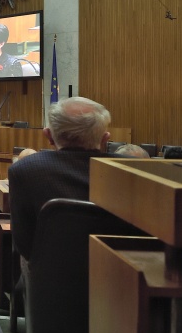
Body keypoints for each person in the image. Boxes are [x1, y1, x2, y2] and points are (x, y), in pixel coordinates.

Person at [9, 97, 113, 261]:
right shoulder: (135, 171)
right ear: (105, 139)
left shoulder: (25, 170)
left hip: (53, 271)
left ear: (48, 136)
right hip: (122, 270)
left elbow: (24, 244)